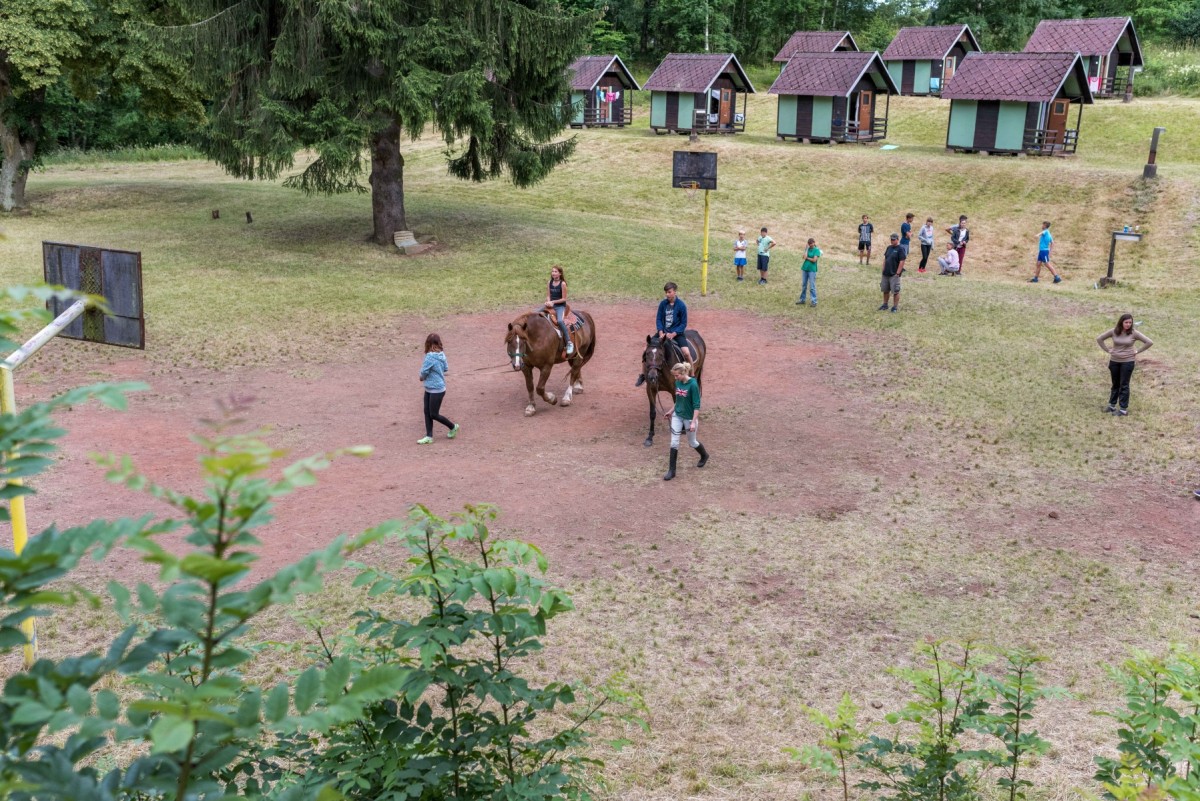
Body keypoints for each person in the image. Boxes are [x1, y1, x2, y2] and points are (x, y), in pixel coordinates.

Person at [635, 282, 691, 386]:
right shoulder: (663, 304)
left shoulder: (681, 305)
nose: (667, 294)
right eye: (666, 292)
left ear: (675, 292)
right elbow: (659, 319)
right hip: (663, 333)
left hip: (677, 334)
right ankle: (643, 374)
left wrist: (673, 334)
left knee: (686, 352)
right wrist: (661, 331)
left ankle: (692, 375)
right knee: (645, 349)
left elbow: (683, 324)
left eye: (669, 292)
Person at [1096, 313, 1152, 416]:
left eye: (1130, 322)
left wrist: (1137, 351)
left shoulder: (1134, 333)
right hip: (1114, 361)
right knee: (1115, 384)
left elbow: (1149, 342)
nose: (1128, 324)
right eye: (1126, 322)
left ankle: (1123, 410)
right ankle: (1111, 406)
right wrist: (1107, 350)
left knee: (1124, 385)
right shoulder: (1114, 331)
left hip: (1127, 362)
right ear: (1121, 322)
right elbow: (1099, 339)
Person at [663, 362, 708, 481]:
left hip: (689, 418)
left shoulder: (693, 385)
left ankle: (704, 455)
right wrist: (671, 411)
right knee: (674, 442)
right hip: (677, 416)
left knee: (692, 442)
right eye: (674, 376)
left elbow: (697, 405)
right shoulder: (678, 383)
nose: (675, 378)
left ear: (683, 373)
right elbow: (678, 400)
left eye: (677, 375)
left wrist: (693, 422)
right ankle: (672, 471)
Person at [418, 333, 459, 445]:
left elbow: (424, 372)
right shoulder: (442, 354)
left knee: (433, 414)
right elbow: (446, 368)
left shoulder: (429, 357)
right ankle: (429, 436)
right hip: (433, 388)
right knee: (427, 412)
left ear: (427, 343)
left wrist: (421, 377)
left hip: (436, 390)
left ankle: (453, 426)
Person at [544, 265, 574, 356]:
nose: (553, 273)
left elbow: (564, 299)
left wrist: (553, 302)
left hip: (560, 307)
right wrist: (548, 302)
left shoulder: (562, 284)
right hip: (551, 305)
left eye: (555, 271)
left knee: (560, 321)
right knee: (536, 313)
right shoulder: (549, 282)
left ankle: (569, 342)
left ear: (560, 273)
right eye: (552, 271)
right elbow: (548, 295)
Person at [879, 233, 905, 313]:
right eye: (891, 239)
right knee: (885, 290)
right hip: (886, 273)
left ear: (897, 239)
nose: (892, 241)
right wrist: (883, 269)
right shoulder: (889, 248)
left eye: (894, 239)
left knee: (895, 291)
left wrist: (898, 273)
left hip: (894, 274)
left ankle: (894, 307)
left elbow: (902, 261)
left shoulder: (900, 249)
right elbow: (885, 259)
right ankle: (885, 304)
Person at [796, 237, 821, 307]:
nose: (810, 245)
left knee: (812, 286)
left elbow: (814, 260)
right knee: (804, 285)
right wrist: (806, 249)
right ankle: (802, 299)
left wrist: (807, 258)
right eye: (809, 244)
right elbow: (804, 257)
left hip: (812, 270)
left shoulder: (817, 250)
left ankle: (814, 301)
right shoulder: (808, 249)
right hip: (805, 268)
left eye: (811, 243)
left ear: (814, 243)